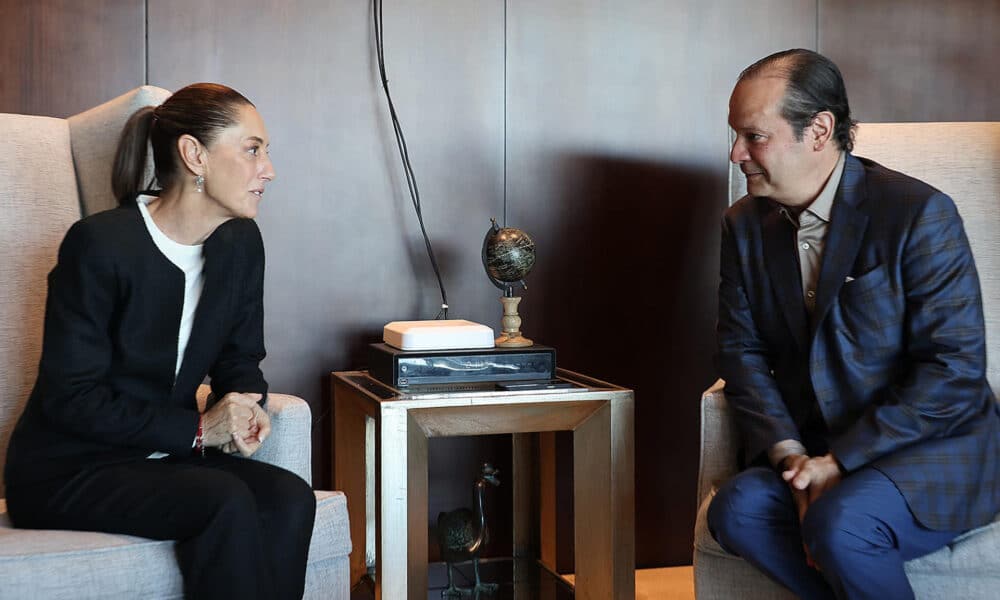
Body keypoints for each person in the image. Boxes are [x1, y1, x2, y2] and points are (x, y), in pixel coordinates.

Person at [3, 83, 315, 599]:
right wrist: (197, 431)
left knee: (288, 498)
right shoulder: (101, 244)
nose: (269, 170)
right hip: (66, 470)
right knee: (223, 499)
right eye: (252, 149)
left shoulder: (240, 242)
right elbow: (70, 397)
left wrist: (244, 405)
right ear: (194, 154)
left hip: (156, 459)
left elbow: (240, 358)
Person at [707, 49, 1000, 599]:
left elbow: (954, 369)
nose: (735, 153)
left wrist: (840, 462)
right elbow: (740, 354)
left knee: (839, 524)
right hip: (814, 448)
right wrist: (794, 457)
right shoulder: (743, 225)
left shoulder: (919, 213)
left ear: (819, 130)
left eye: (754, 136)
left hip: (933, 448)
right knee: (736, 511)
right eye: (735, 135)